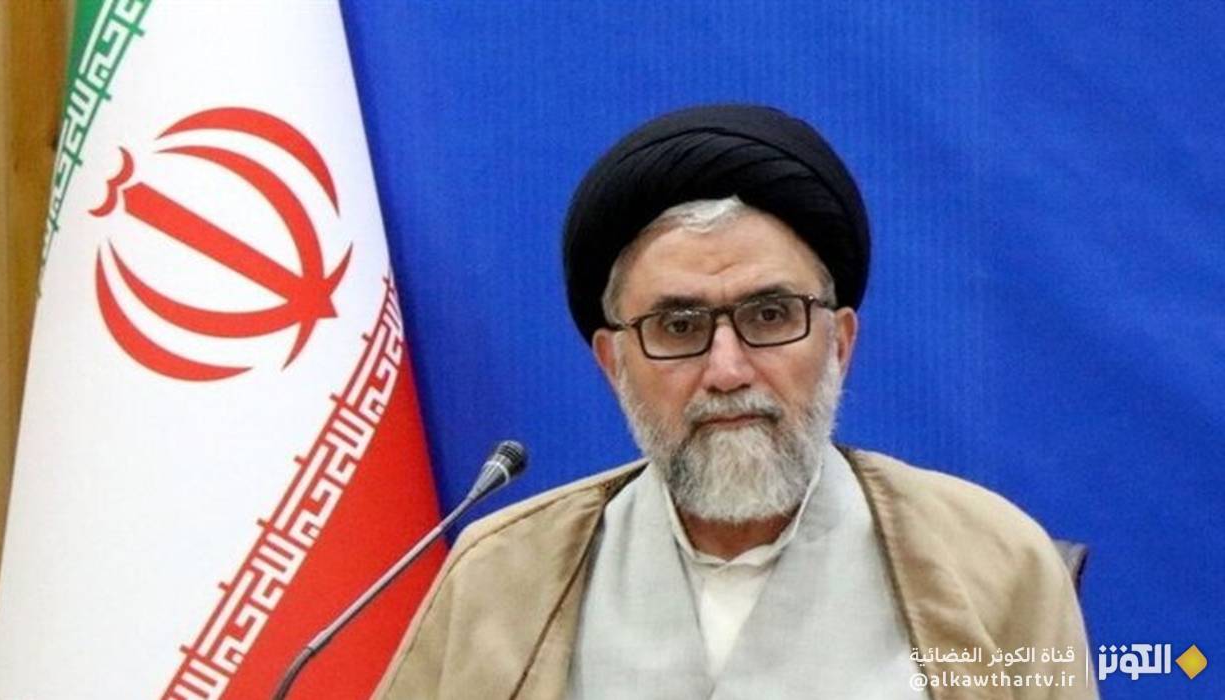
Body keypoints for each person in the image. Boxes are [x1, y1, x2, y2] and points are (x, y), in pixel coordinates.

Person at [373, 104, 1096, 699]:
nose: (727, 370)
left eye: (771, 315)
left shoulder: (993, 563)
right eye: (679, 326)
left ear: (840, 342)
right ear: (613, 362)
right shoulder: (502, 577)